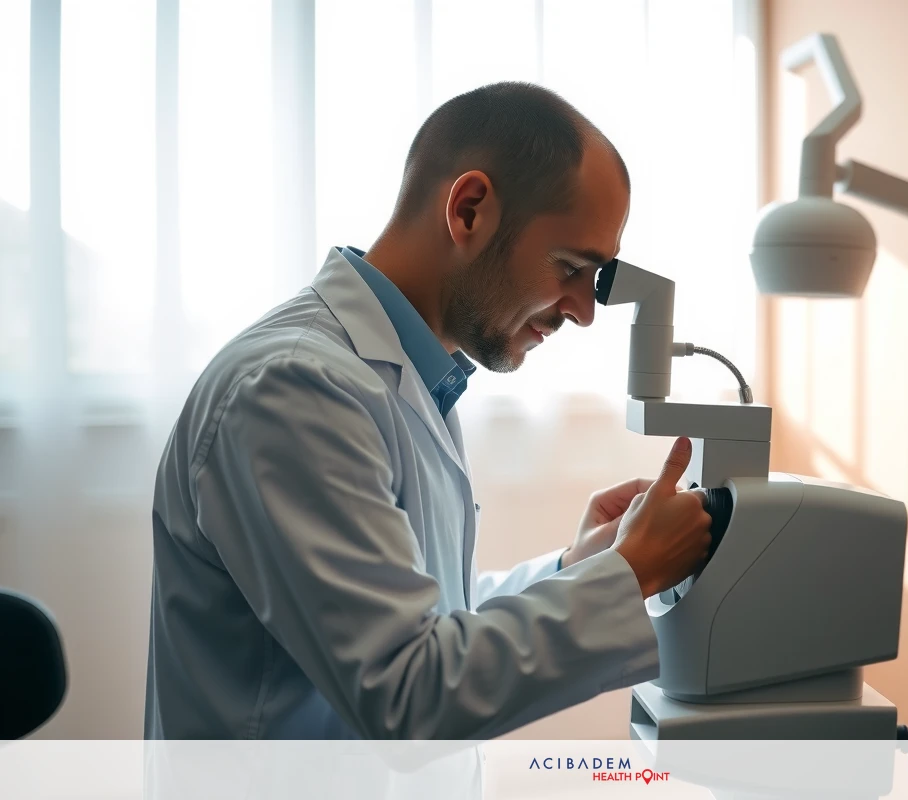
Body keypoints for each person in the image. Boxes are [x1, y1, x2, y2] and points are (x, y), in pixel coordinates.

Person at [144, 82, 713, 739]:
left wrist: (578, 568)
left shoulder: (405, 378)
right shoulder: (294, 391)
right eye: (569, 268)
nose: (584, 312)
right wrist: (628, 575)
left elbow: (432, 618)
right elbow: (409, 692)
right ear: (469, 210)